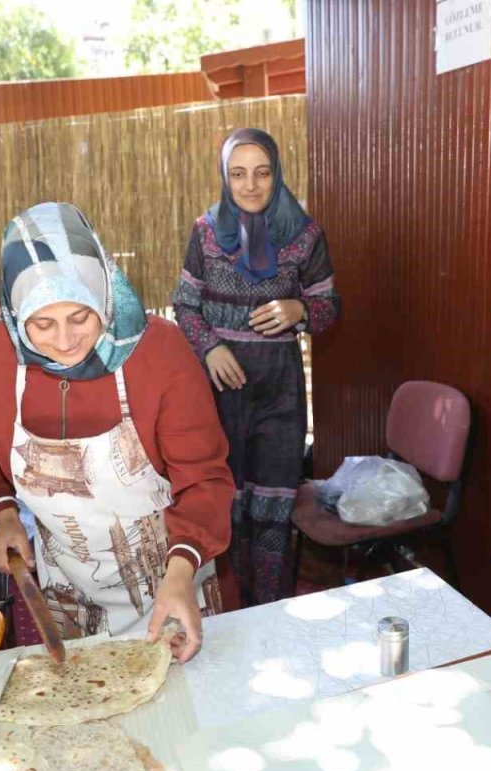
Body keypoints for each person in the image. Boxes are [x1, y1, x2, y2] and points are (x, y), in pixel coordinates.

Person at [0, 203, 233, 662]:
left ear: (103, 292)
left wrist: (183, 570)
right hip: (68, 593)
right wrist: (3, 511)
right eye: (42, 324)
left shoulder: (159, 353)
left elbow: (205, 480)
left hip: (175, 579)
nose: (64, 341)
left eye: (81, 318)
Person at [173, 128, 340, 607]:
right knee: (224, 504)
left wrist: (300, 311)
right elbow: (184, 306)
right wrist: (209, 347)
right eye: (238, 174)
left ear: (276, 175)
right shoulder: (205, 233)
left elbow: (329, 304)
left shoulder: (305, 235)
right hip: (219, 393)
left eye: (262, 173)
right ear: (225, 178)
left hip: (279, 393)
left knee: (274, 507)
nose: (250, 185)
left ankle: (270, 613)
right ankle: (226, 612)